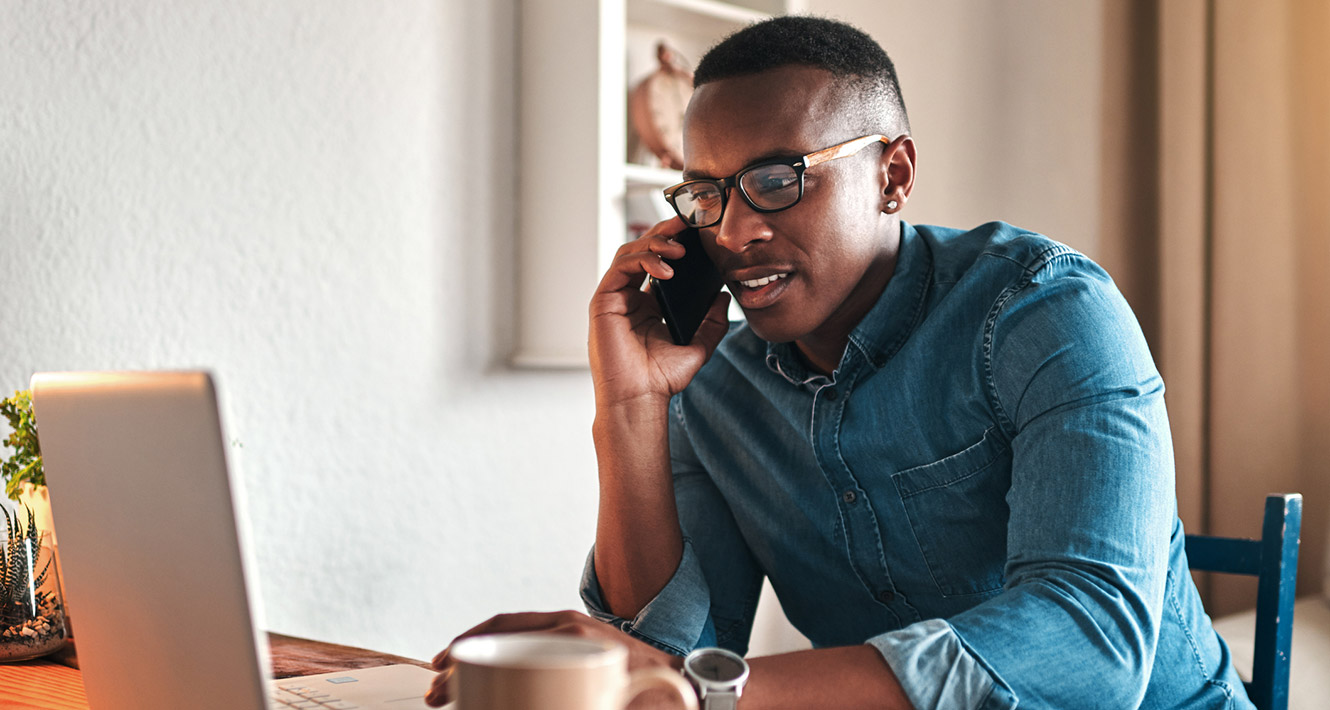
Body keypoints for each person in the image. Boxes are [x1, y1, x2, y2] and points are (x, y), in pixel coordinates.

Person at [429, 15, 1252, 710]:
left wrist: (701, 690)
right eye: (707, 193)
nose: (734, 231)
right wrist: (631, 411)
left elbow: (1091, 643)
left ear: (892, 176)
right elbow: (668, 657)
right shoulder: (713, 382)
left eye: (778, 181)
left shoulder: (1045, 311)